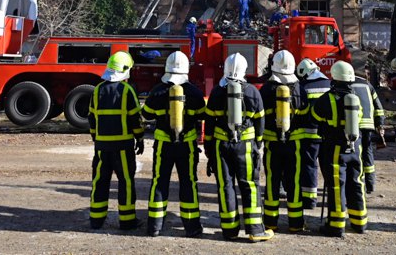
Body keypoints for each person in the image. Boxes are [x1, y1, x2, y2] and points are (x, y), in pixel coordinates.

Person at [204, 53, 274, 242]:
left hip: (221, 146)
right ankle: (255, 230)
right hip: (246, 146)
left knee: (225, 186)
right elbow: (260, 121)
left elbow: (209, 125)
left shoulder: (217, 93)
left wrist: (209, 150)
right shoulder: (252, 91)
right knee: (250, 185)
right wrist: (258, 142)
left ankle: (229, 230)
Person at [141, 51, 206, 238]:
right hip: (187, 146)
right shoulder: (194, 92)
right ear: (186, 70)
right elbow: (202, 115)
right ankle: (192, 227)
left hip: (163, 146)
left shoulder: (157, 90)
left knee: (159, 182)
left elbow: (146, 114)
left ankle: (154, 226)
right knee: (189, 182)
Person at [88, 51, 144, 231]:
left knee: (99, 181)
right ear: (125, 70)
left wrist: (96, 138)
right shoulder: (127, 91)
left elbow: (92, 118)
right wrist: (140, 137)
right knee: (125, 181)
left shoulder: (97, 90)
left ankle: (96, 220)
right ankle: (127, 221)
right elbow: (135, 118)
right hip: (123, 146)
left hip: (102, 147)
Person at [311, 61, 368, 237]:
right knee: (357, 182)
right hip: (355, 147)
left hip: (335, 148)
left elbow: (314, 117)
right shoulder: (356, 96)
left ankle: (335, 225)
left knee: (337, 185)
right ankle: (360, 223)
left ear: (334, 77)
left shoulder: (326, 99)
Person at [259, 50, 307, 232]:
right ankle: (296, 223)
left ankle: (271, 222)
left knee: (272, 180)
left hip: (272, 145)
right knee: (294, 181)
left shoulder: (266, 89)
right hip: (294, 145)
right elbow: (305, 116)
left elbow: (260, 116)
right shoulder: (299, 89)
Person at [295, 57, 331, 210]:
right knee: (328, 165)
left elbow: (299, 111)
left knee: (309, 165)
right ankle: (333, 197)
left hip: (309, 135)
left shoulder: (302, 87)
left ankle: (310, 200)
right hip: (328, 134)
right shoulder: (330, 84)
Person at [350, 63, 385, 193]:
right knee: (367, 152)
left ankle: (358, 183)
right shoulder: (368, 86)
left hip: (354, 125)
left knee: (355, 154)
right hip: (368, 125)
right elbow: (379, 108)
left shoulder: (346, 85)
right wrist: (380, 124)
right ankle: (370, 185)